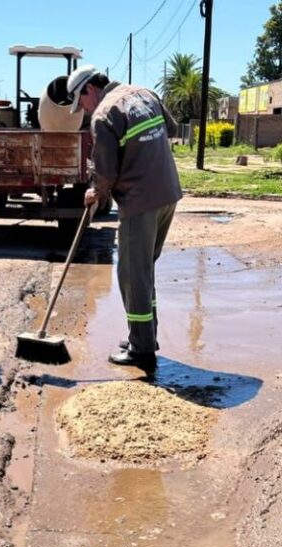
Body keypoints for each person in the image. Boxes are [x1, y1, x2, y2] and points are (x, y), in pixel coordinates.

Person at [67, 65, 182, 372]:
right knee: (143, 270)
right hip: (167, 194)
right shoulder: (144, 93)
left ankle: (142, 350)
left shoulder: (104, 115)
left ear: (90, 89)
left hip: (140, 201)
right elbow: (171, 130)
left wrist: (95, 192)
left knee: (132, 275)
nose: (84, 109)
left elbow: (105, 172)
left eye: (82, 102)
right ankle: (144, 336)